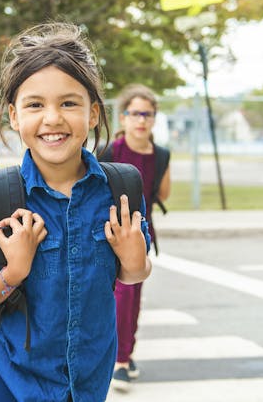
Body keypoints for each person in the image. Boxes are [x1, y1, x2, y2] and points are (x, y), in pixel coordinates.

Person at [0, 22, 152, 401]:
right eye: (35, 105)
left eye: (68, 103)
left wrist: (136, 262)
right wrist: (13, 272)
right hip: (16, 384)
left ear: (93, 113)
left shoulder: (121, 189)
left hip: (90, 383)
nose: (52, 118)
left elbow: (133, 273)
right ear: (14, 116)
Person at [100, 84, 171, 391]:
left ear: (154, 118)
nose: (141, 120)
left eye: (147, 114)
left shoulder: (161, 155)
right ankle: (114, 357)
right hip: (107, 232)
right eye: (134, 113)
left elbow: (162, 193)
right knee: (110, 296)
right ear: (124, 116)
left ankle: (123, 357)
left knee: (131, 296)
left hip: (140, 233)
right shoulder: (110, 151)